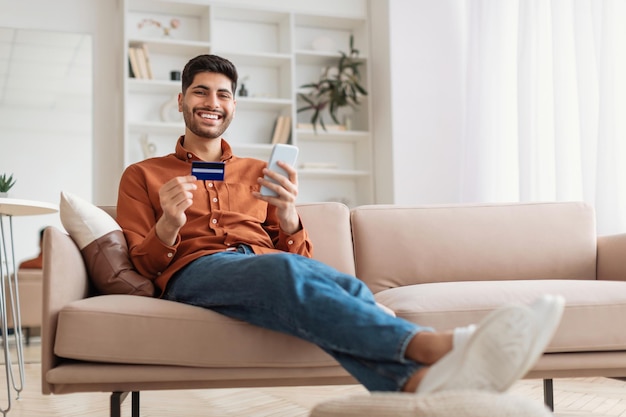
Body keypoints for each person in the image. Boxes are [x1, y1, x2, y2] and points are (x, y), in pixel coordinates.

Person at [116, 54, 565, 394]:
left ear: (233, 105)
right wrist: (169, 224)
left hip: (263, 265)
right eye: (200, 92)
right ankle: (429, 345)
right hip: (195, 272)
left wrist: (290, 218)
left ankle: (415, 383)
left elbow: (300, 260)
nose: (211, 103)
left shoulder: (259, 171)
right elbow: (144, 266)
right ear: (181, 100)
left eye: (223, 94)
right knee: (285, 273)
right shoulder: (142, 175)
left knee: (350, 289)